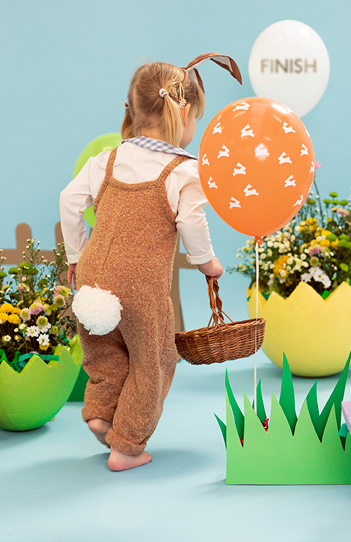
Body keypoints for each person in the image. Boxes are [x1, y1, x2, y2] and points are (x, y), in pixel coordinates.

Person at [59, 55, 241, 471]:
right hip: (140, 287)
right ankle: (126, 447)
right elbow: (192, 222)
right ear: (184, 113)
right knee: (155, 359)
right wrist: (206, 262)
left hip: (92, 279)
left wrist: (76, 255)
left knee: (106, 352)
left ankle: (101, 414)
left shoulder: (106, 160)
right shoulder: (184, 171)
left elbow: (69, 201)